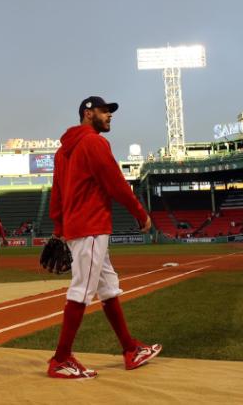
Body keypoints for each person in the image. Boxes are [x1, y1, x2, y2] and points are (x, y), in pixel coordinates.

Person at [47, 96, 159, 380]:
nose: (109, 115)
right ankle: (60, 359)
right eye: (104, 111)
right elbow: (115, 183)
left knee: (107, 287)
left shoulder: (63, 152)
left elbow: (57, 193)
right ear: (88, 113)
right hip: (91, 226)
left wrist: (59, 228)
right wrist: (139, 212)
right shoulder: (94, 142)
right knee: (82, 290)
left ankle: (130, 349)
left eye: (110, 112)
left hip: (78, 226)